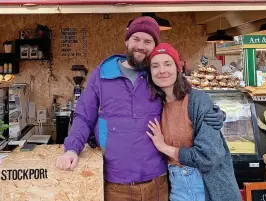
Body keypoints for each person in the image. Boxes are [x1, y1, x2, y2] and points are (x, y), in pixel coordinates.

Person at [56, 16, 225, 201]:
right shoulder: (103, 75)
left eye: (148, 41)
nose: (141, 45)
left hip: (157, 180)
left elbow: (183, 100)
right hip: (116, 182)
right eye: (136, 39)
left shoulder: (155, 76)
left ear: (154, 47)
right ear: (127, 41)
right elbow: (83, 116)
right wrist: (72, 148)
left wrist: (213, 113)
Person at [146, 43, 241, 201]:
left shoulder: (197, 100)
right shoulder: (156, 105)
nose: (161, 70)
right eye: (155, 66)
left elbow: (208, 156)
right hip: (175, 184)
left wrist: (164, 147)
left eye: (167, 64)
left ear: (178, 68)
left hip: (204, 185)